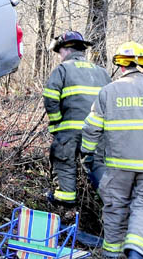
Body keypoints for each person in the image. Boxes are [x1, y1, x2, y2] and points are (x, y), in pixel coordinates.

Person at [81, 41, 143, 259]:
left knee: (115, 206)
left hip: (117, 165)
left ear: (120, 66)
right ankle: (136, 250)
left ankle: (111, 257)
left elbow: (91, 128)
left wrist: (87, 154)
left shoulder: (107, 92)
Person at [43, 31, 110, 204]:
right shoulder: (102, 72)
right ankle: (111, 202)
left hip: (70, 129)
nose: (59, 57)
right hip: (98, 131)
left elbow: (50, 97)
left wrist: (57, 122)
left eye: (60, 52)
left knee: (64, 159)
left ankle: (65, 197)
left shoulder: (63, 69)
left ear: (66, 49)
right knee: (97, 164)